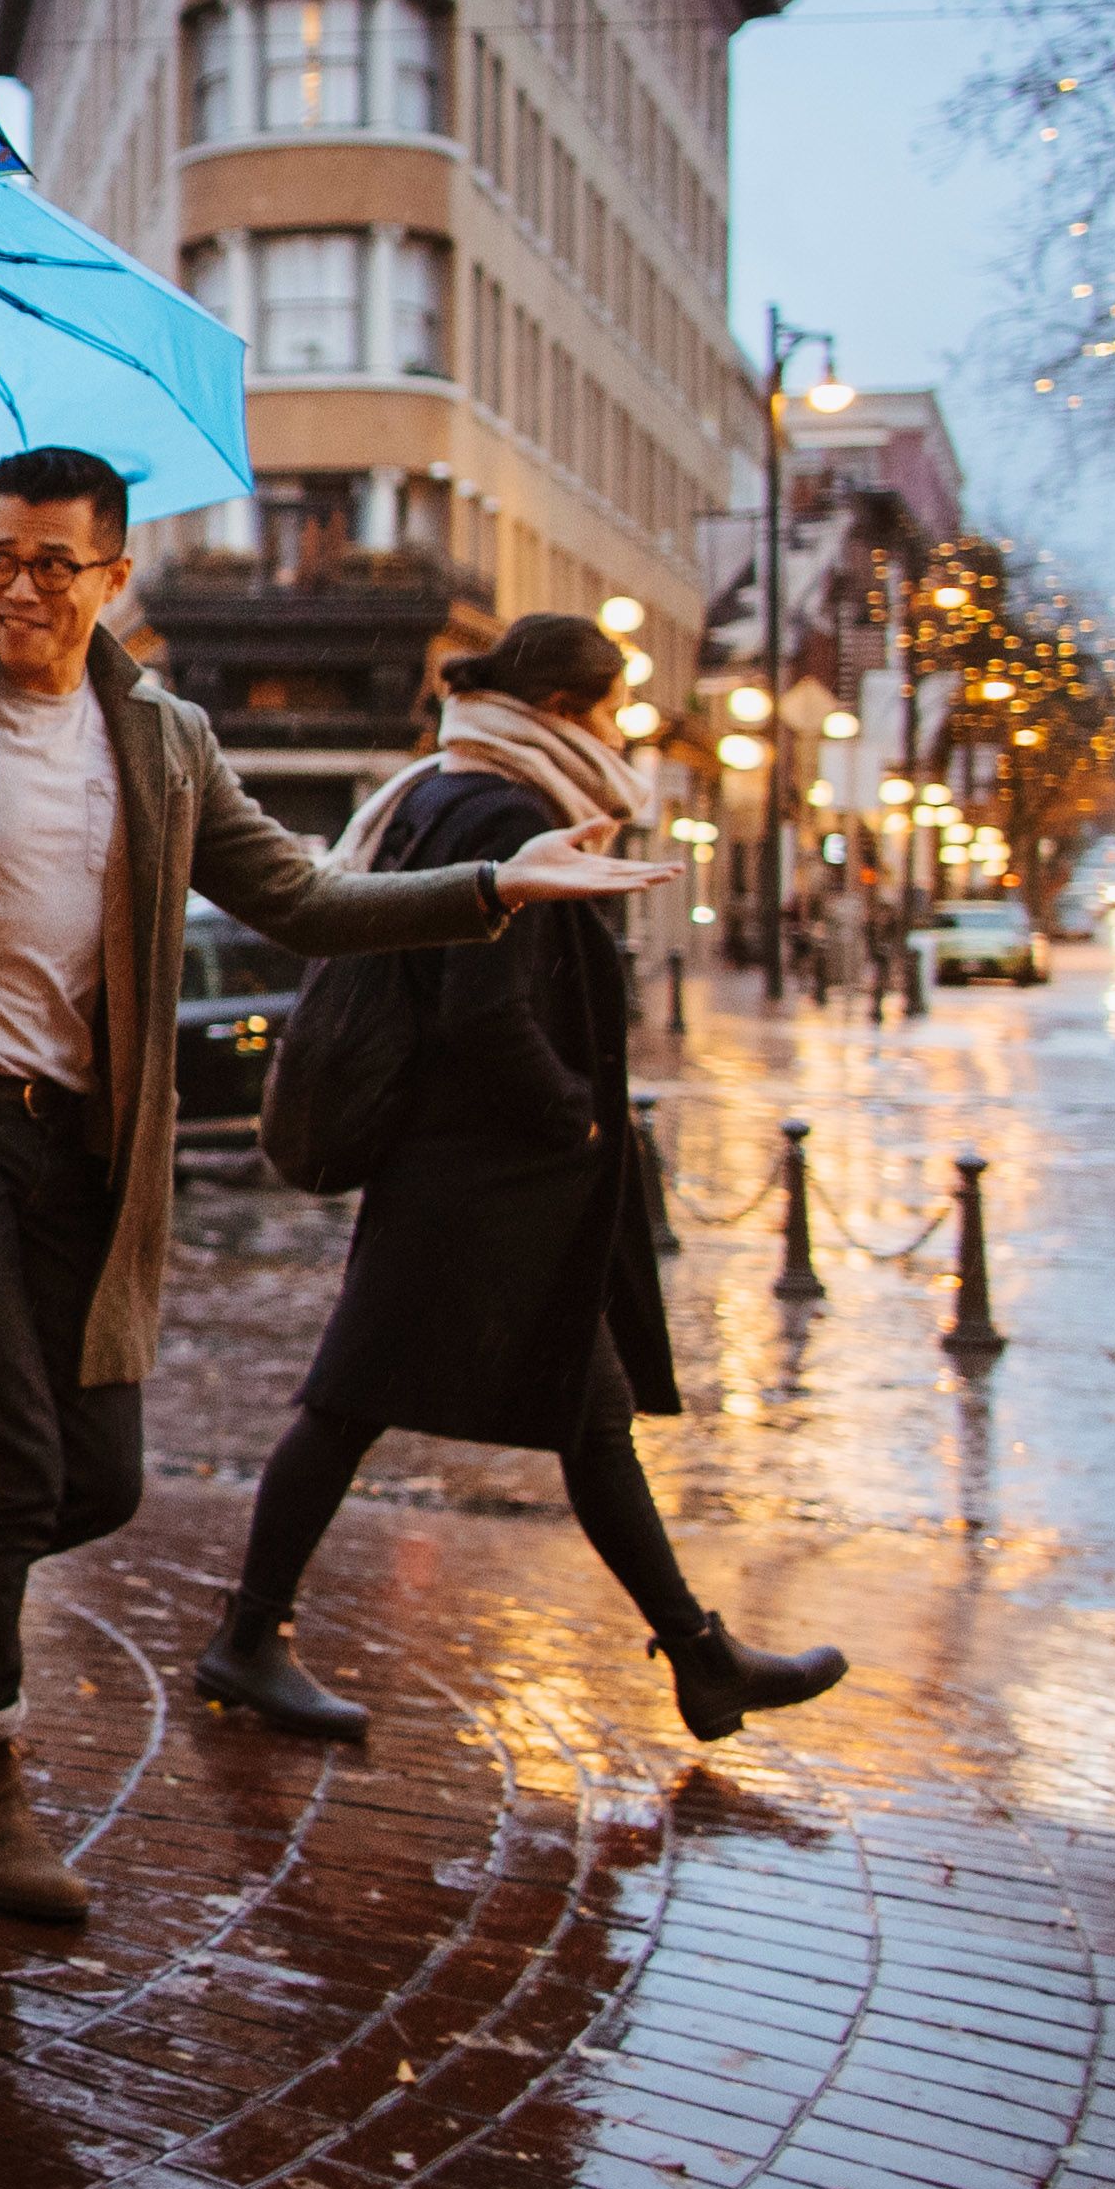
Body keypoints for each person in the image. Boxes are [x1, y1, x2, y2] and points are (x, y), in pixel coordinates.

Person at [0, 447, 671, 1929]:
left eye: (51, 563)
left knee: (95, 1478)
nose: (16, 587)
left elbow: (302, 897)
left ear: (111, 580)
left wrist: (493, 889)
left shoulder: (166, 743)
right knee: (9, 1455)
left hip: (65, 1145)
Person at [198, 615, 849, 1747]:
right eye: (609, 706)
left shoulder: (439, 791)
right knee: (352, 1404)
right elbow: (481, 1008)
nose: (619, 727)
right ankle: (248, 1640)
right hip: (484, 1180)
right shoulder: (506, 812)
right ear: (560, 709)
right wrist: (577, 1115)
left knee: (577, 1418)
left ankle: (702, 1658)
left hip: (476, 1175)